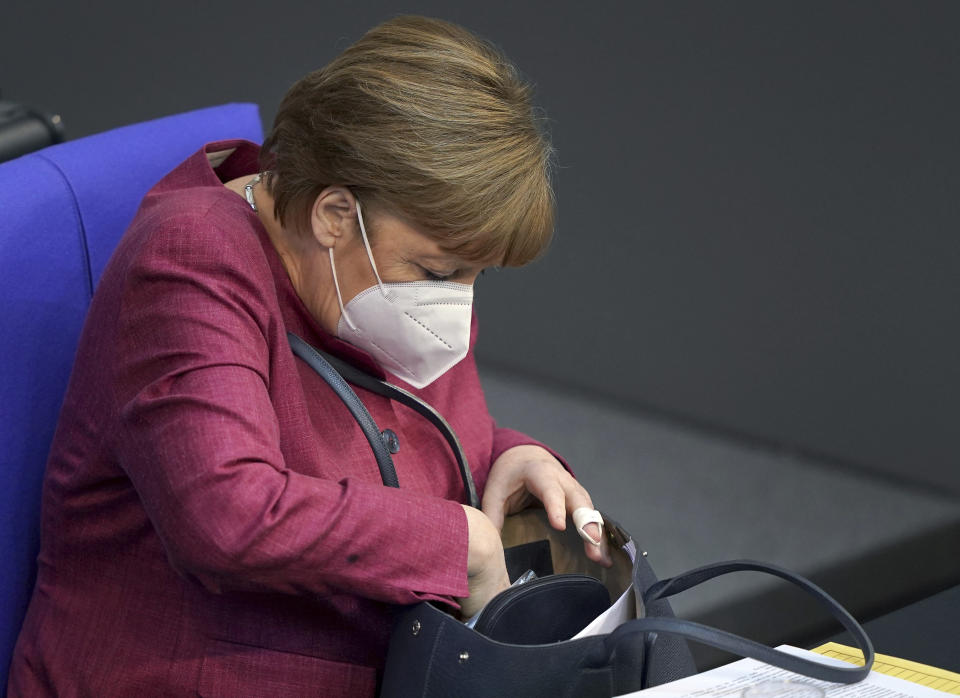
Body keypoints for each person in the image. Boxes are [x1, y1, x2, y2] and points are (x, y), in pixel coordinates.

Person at [9, 15, 610, 697]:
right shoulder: (189, 263)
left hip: (371, 648)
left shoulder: (364, 271)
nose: (457, 304)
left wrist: (507, 454)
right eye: (441, 273)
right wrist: (458, 545)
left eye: (478, 275)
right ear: (332, 213)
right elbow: (229, 514)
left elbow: (384, 426)